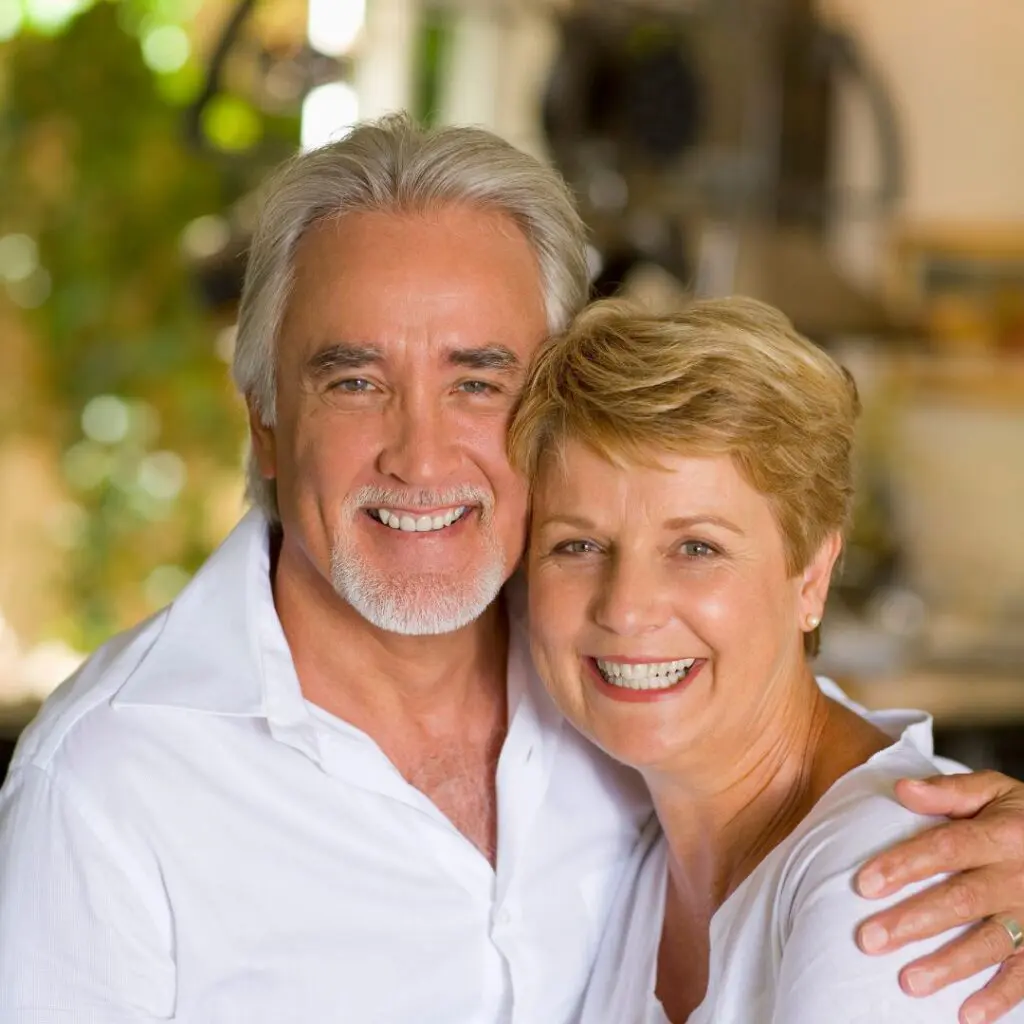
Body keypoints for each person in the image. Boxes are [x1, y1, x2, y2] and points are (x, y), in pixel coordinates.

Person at [0, 114, 1021, 1023]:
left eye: (479, 379)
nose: (422, 455)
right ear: (267, 422)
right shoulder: (105, 789)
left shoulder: (618, 678)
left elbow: (802, 743)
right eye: (354, 380)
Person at [508, 296, 1024, 1023]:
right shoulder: (648, 858)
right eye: (578, 545)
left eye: (696, 548)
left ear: (811, 577)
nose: (625, 608)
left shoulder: (887, 883)